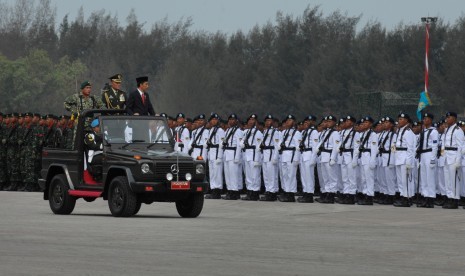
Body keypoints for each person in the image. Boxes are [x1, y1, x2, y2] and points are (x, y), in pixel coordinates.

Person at [441, 112, 464, 209]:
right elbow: (444, 144)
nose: (447, 119)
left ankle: (454, 200)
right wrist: (443, 155)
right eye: (446, 117)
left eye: (449, 117)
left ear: (454, 119)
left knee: (454, 180)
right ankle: (449, 198)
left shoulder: (458, 130)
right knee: (447, 180)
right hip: (446, 157)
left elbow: (461, 147)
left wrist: (458, 161)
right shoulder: (447, 130)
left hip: (454, 157)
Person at [393, 112, 416, 207]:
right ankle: (403, 196)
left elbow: (411, 148)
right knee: (400, 180)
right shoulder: (400, 131)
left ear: (406, 121)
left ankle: (406, 198)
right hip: (399, 157)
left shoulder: (408, 132)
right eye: (399, 119)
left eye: (402, 119)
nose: (399, 121)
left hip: (405, 159)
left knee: (405, 180)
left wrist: (409, 162)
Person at [416, 112, 438, 208]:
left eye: (427, 119)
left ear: (431, 120)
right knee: (423, 178)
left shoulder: (434, 132)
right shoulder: (423, 131)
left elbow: (435, 146)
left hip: (429, 154)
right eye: (424, 119)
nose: (425, 120)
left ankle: (431, 198)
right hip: (423, 155)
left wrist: (433, 159)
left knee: (430, 178)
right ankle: (425, 196)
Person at [240, 114, 263, 201]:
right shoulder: (246, 132)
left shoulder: (258, 133)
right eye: (250, 120)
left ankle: (255, 192)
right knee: (248, 175)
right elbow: (241, 142)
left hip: (254, 155)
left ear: (256, 122)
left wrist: (257, 159)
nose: (251, 121)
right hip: (247, 154)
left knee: (255, 175)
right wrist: (242, 144)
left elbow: (259, 146)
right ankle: (249, 191)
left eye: (253, 120)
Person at [205, 113, 225, 199]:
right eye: (212, 119)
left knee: (217, 174)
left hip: (217, 153)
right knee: (212, 173)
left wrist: (219, 157)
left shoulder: (220, 130)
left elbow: (222, 144)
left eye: (216, 120)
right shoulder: (210, 130)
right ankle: (213, 189)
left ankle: (217, 191)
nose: (214, 121)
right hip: (211, 153)